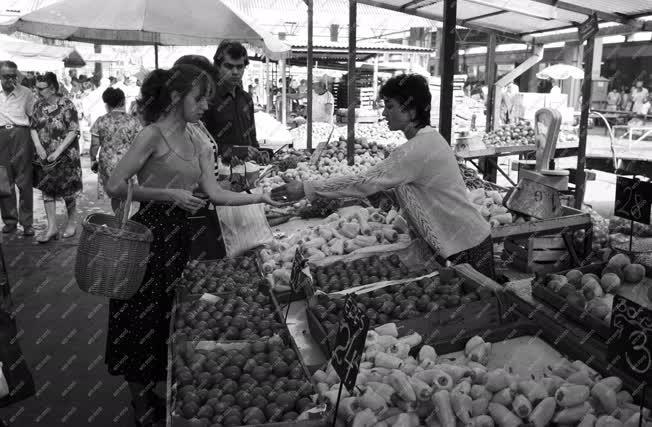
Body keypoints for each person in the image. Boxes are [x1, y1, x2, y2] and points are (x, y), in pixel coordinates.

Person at [104, 64, 280, 427]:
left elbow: (214, 194)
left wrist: (262, 195)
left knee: (171, 317)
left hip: (179, 241)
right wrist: (168, 194)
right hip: (148, 237)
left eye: (207, 100)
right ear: (175, 97)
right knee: (139, 321)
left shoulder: (198, 140)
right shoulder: (151, 135)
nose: (204, 107)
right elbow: (115, 185)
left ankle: (162, 389)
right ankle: (140, 407)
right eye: (199, 99)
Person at [275, 74, 494, 277]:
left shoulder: (416, 149)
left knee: (482, 309)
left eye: (390, 106)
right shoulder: (427, 140)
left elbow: (363, 182)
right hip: (463, 240)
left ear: (410, 111)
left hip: (468, 244)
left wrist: (307, 188)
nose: (384, 113)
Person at [30, 72, 82, 242]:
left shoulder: (67, 105)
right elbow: (33, 128)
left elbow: (73, 131)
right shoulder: (38, 105)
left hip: (65, 155)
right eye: (36, 87)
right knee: (47, 190)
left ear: (52, 88)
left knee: (68, 191)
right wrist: (38, 147)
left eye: (41, 88)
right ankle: (51, 227)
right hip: (44, 157)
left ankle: (72, 223)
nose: (37, 91)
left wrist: (58, 151)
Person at [89, 87, 142, 213]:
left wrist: (92, 159)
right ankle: (123, 221)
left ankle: (120, 221)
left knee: (115, 194)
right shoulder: (133, 121)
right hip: (128, 162)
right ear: (123, 101)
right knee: (126, 192)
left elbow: (95, 144)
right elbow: (140, 143)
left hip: (107, 162)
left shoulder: (101, 121)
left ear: (106, 103)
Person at [202, 40, 258, 158]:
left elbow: (252, 137)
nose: (235, 72)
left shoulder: (246, 98)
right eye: (229, 66)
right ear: (217, 66)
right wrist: (235, 151)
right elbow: (200, 144)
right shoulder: (207, 99)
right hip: (219, 172)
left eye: (240, 67)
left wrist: (258, 155)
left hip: (248, 170)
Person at [0, 61, 35, 236]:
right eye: (6, 76)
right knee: (4, 181)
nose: (11, 80)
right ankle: (10, 221)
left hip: (21, 135)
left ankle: (27, 222)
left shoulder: (26, 93)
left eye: (14, 76)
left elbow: (33, 117)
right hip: (0, 136)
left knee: (24, 181)